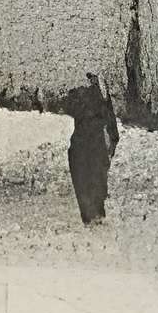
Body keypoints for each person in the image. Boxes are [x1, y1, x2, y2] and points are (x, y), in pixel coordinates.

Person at [63, 73, 120, 226]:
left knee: (93, 175)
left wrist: (113, 137)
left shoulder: (96, 89)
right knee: (86, 174)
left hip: (93, 138)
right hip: (87, 138)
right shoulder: (85, 89)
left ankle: (94, 214)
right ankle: (91, 214)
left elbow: (107, 112)